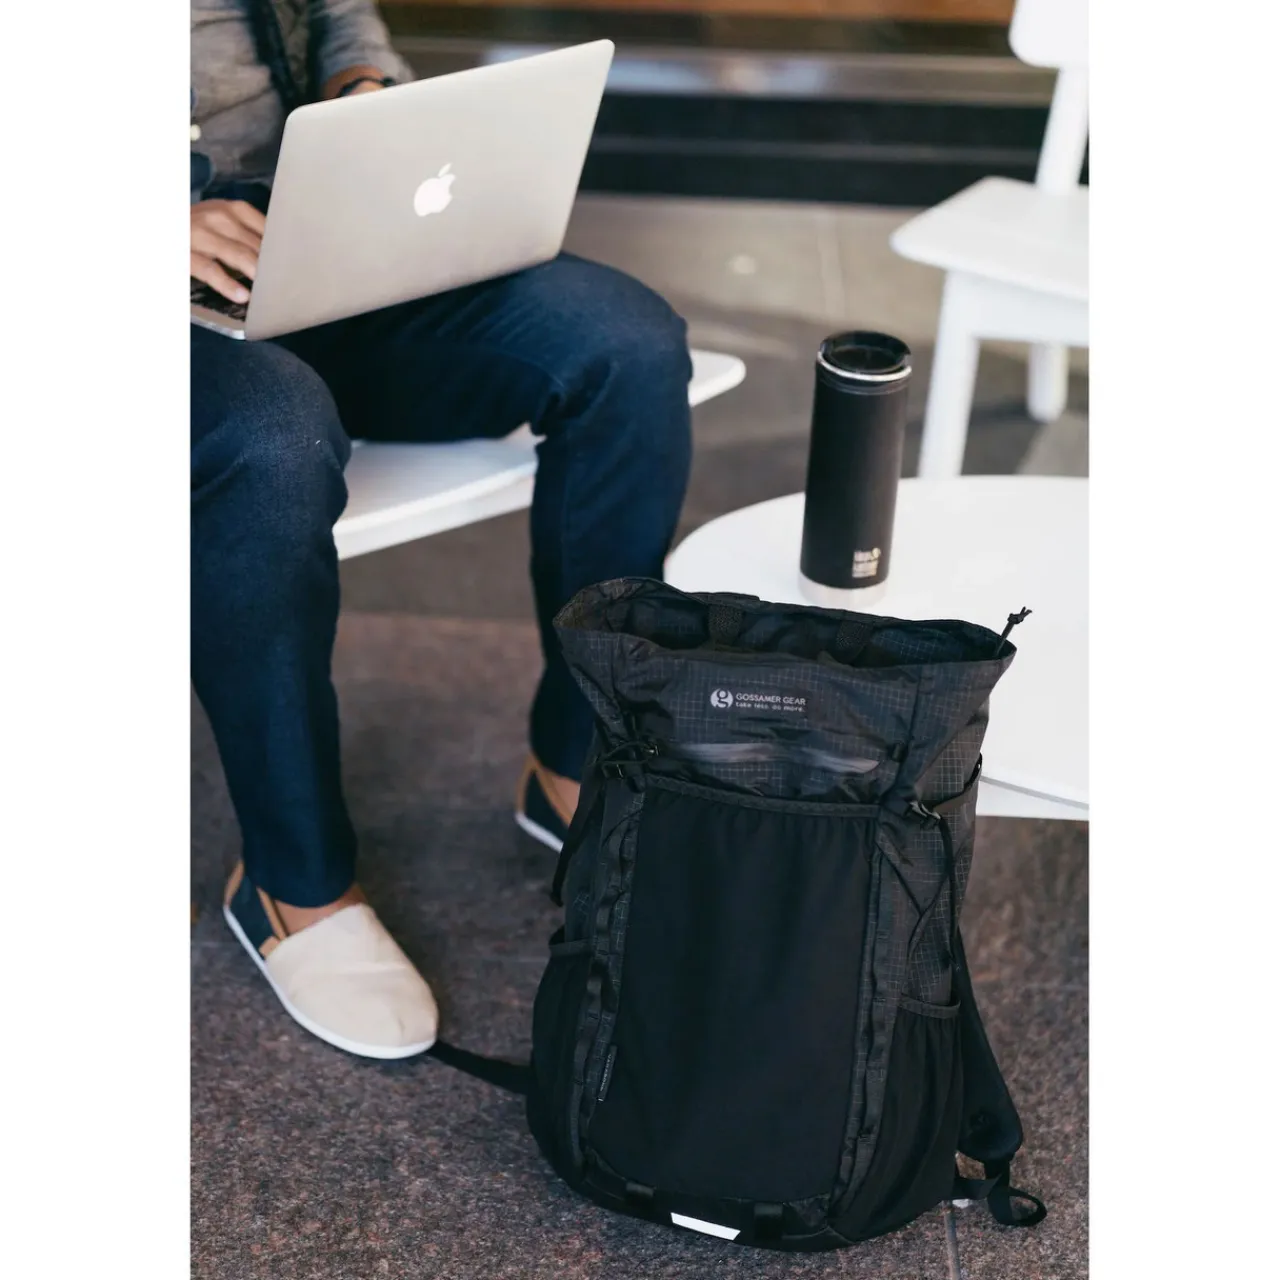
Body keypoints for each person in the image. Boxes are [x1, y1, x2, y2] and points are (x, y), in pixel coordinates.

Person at [192, 0, 692, 1060]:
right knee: (274, 439)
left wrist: (367, 112)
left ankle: (575, 771)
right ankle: (292, 884)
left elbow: (338, 17)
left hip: (304, 232)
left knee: (624, 347)